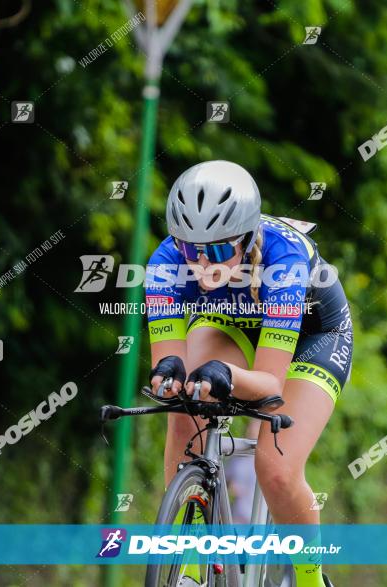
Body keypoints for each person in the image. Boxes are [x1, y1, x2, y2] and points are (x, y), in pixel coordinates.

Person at [145, 160, 353, 587]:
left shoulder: (283, 260)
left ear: (246, 237)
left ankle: (311, 579)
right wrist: (169, 377)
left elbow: (270, 386)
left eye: (218, 251)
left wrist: (226, 375)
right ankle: (187, 566)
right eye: (190, 249)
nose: (202, 265)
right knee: (185, 403)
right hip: (230, 321)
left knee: (275, 468)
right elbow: (167, 370)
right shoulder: (164, 263)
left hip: (313, 335)